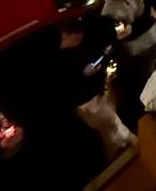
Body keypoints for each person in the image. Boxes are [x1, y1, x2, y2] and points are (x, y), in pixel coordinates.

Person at [55, 17, 133, 161]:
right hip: (87, 103)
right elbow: (64, 85)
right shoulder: (59, 59)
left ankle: (118, 158)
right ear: (69, 35)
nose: (79, 42)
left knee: (109, 131)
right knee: (114, 124)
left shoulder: (79, 48)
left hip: (98, 94)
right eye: (77, 39)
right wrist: (84, 74)